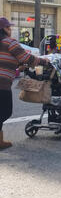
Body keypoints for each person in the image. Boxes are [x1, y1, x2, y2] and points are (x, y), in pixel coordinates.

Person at [0, 17, 48, 150]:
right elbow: (26, 58)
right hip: (2, 85)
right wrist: (44, 61)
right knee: (5, 112)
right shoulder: (10, 42)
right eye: (8, 27)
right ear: (3, 29)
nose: (10, 29)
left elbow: (6, 61)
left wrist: (17, 68)